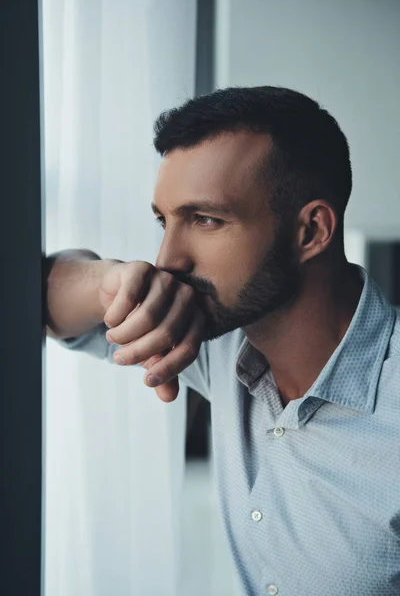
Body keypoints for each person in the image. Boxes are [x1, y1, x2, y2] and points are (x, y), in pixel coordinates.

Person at [45, 86, 400, 596]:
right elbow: (38, 293)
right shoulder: (214, 337)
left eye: (206, 220)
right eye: (164, 221)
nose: (168, 259)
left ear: (311, 231)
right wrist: (111, 282)